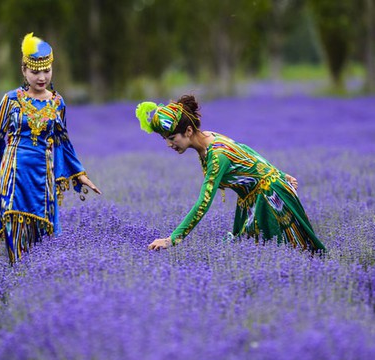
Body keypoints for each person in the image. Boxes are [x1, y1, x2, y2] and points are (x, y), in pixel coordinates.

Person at [0, 32, 101, 265]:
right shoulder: (10, 100)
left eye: (47, 71)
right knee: (14, 228)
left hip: (44, 177)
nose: (42, 77)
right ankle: (18, 277)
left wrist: (80, 175)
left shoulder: (57, 102)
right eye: (35, 72)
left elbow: (63, 142)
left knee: (43, 236)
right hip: (13, 174)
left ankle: (38, 284)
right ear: (23, 71)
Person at [135, 95, 325, 253]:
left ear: (189, 130)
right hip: (252, 199)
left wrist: (172, 240)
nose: (169, 144)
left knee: (289, 253)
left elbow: (204, 202)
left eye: (171, 138)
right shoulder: (207, 139)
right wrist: (280, 174)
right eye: (165, 139)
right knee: (255, 253)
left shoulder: (217, 156)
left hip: (269, 198)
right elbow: (245, 150)